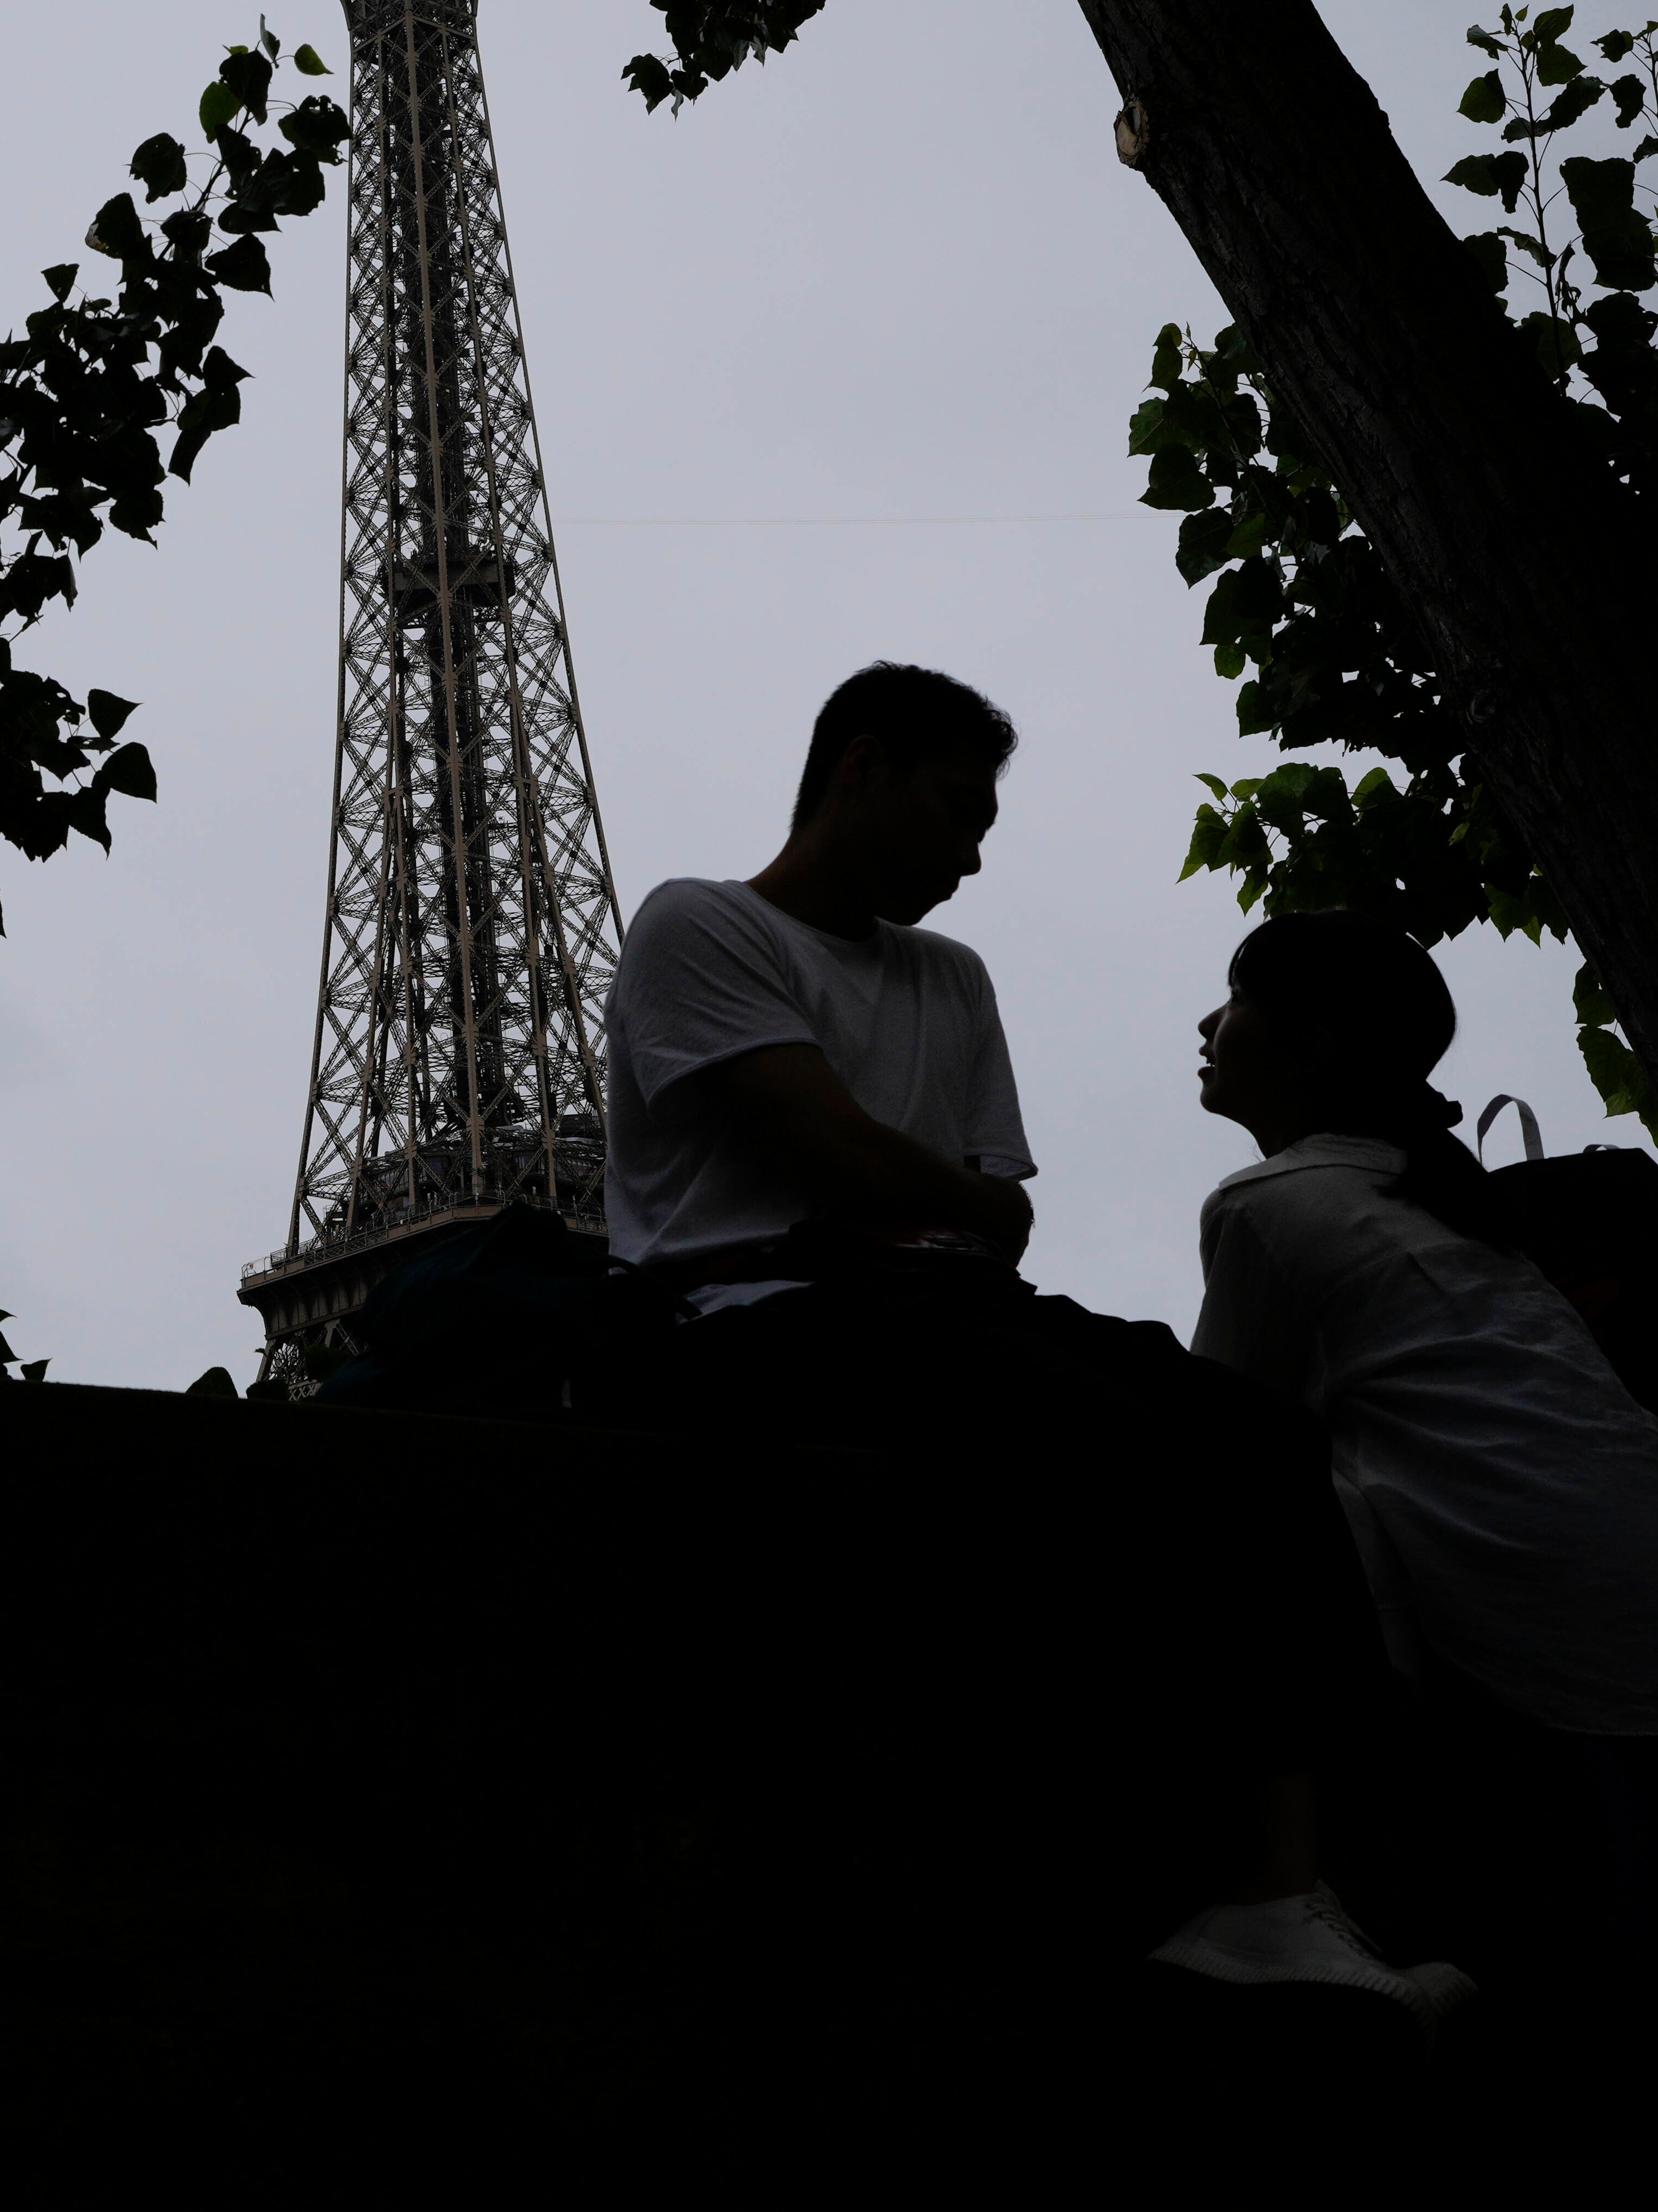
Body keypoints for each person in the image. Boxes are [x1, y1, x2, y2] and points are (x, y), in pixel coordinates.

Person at [605, 664, 1469, 2019]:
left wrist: (926, 1201)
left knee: (1259, 1441)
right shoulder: (697, 924)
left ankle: (1284, 1888)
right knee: (1106, 1448)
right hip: (760, 1314)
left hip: (936, 1306)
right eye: (956, 812)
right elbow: (839, 1155)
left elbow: (972, 1212)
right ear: (861, 768)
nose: (970, 854)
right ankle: (1193, 1879)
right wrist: (932, 1199)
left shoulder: (949, 977)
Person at [1189, 913, 1658, 2203]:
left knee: (1640, 2024)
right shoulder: (1454, 1220)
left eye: (1231, 1003)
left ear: (1304, 1048)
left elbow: (1219, 1452)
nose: (1206, 1028)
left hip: (1547, 1612)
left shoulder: (1269, 1204)